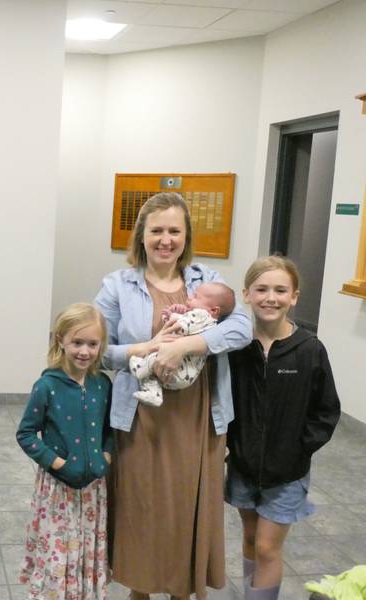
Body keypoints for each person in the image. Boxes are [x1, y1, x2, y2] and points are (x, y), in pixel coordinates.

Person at [94, 192, 251, 600]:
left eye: (175, 231)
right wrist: (142, 349)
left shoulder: (209, 282)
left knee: (186, 512)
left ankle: (183, 589)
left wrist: (185, 346)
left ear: (186, 236)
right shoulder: (117, 286)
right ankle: (140, 592)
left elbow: (242, 330)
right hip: (142, 419)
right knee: (142, 512)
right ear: (141, 236)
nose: (166, 239)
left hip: (198, 420)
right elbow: (96, 349)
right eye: (157, 230)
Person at [226, 256, 339, 600]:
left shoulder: (309, 350)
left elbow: (326, 411)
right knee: (248, 538)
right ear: (246, 294)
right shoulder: (235, 347)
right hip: (243, 467)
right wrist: (234, 445)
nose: (270, 297)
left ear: (294, 297)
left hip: (287, 472)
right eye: (261, 289)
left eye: (280, 290)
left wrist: (297, 449)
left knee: (266, 548)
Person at [16, 303, 113, 600]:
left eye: (92, 344)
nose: (84, 351)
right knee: (60, 549)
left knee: (84, 547)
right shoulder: (47, 386)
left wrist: (105, 456)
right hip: (57, 490)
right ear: (61, 341)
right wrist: (55, 462)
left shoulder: (102, 385)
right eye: (77, 342)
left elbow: (110, 430)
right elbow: (26, 433)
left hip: (93, 490)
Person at [129, 282, 235, 406]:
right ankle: (154, 394)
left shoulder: (203, 316)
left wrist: (171, 315)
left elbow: (178, 327)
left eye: (196, 297)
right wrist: (178, 314)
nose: (190, 297)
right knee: (153, 375)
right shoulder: (209, 324)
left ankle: (141, 367)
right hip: (183, 375)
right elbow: (184, 324)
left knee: (155, 355)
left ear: (213, 310)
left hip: (179, 368)